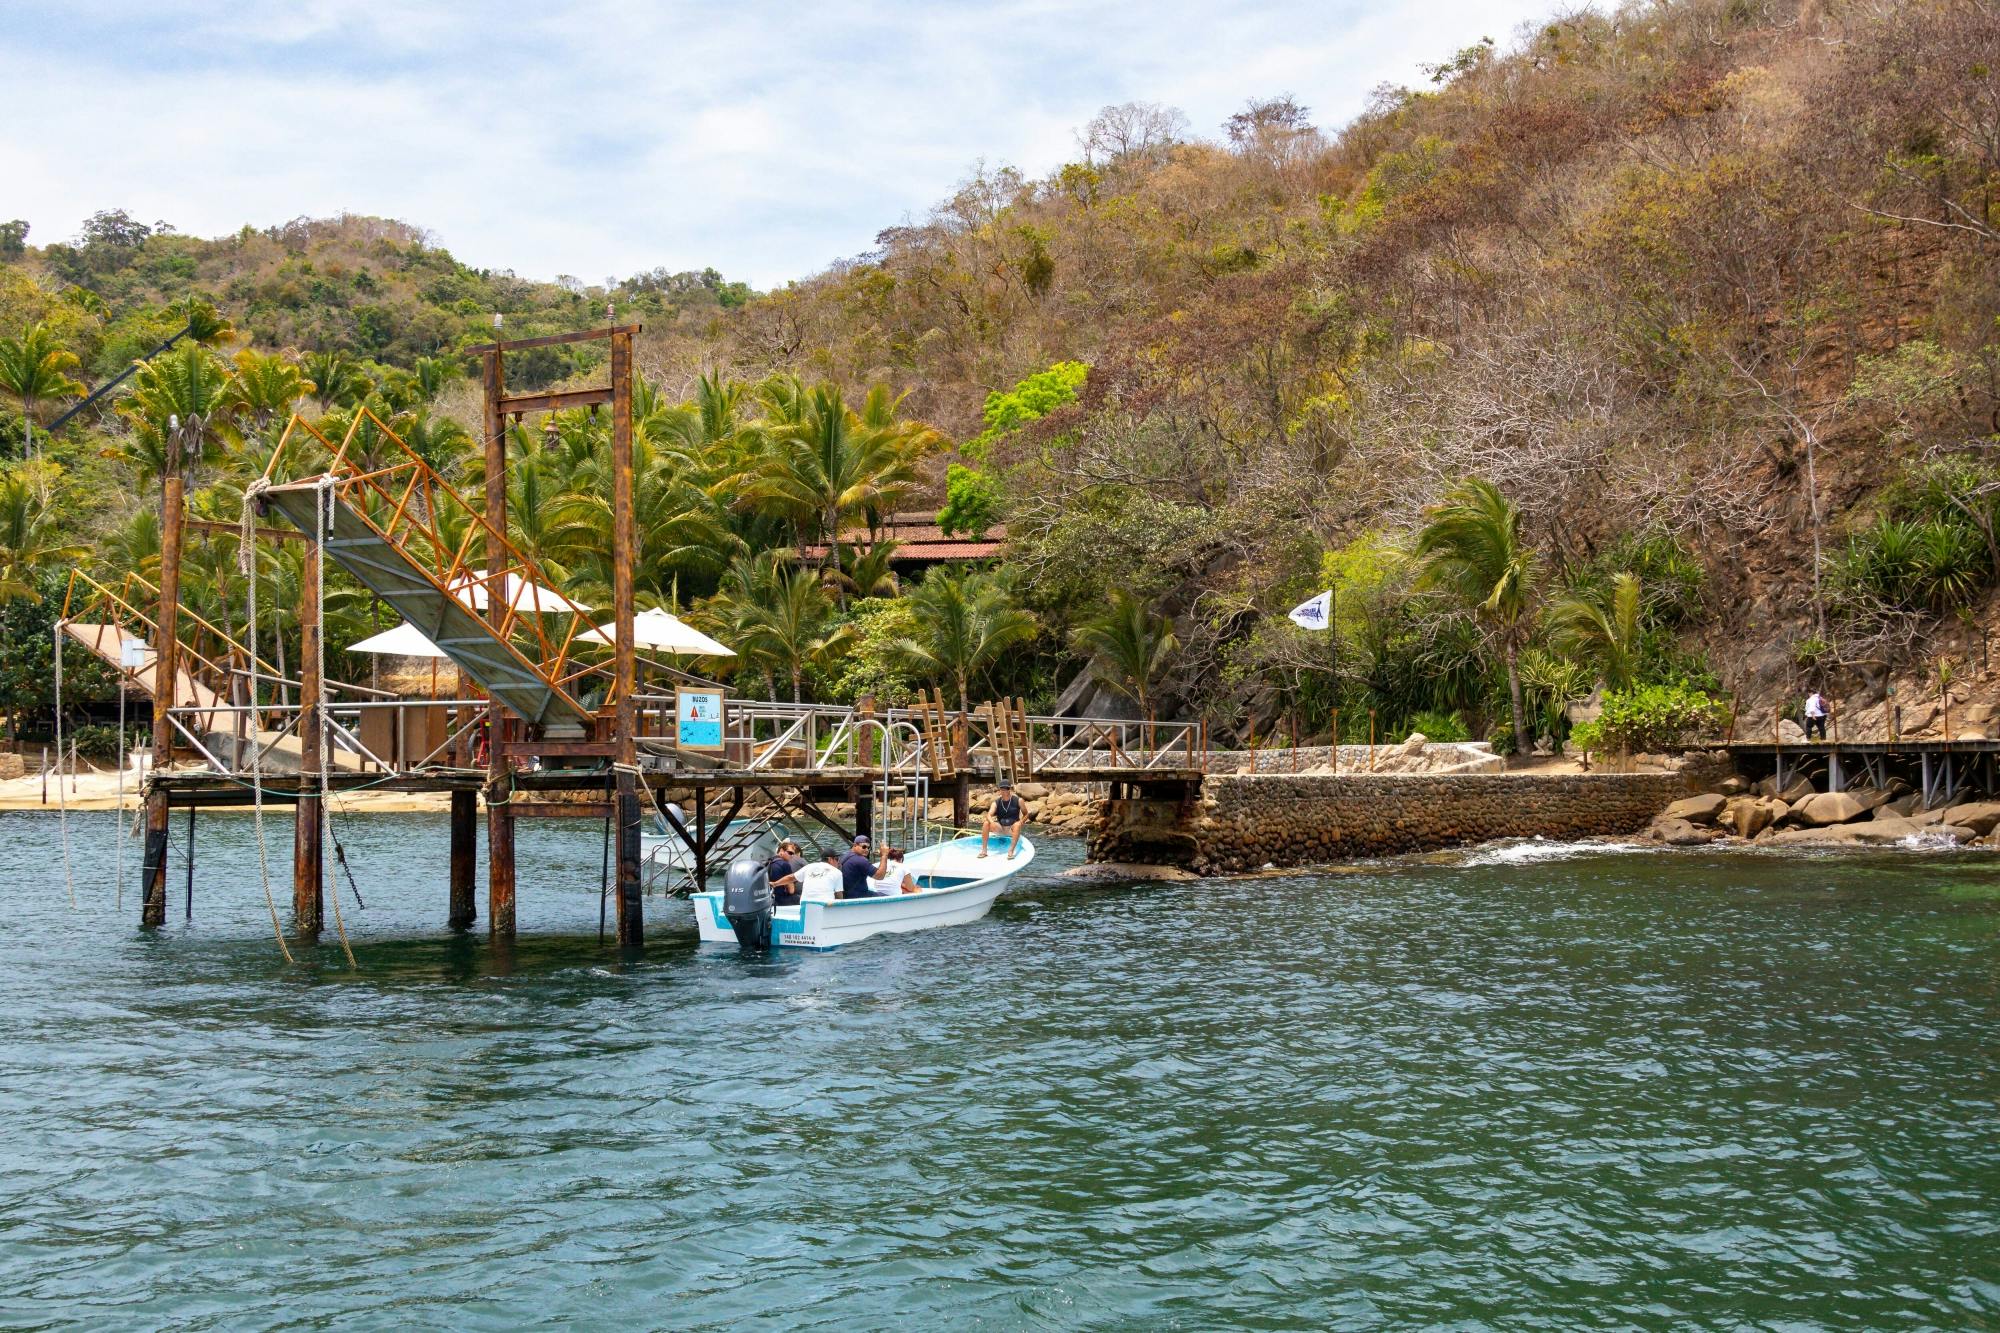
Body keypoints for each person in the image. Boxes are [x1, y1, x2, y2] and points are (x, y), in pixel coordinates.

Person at [979, 777, 1025, 860]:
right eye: (1002, 789)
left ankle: (1010, 851)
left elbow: (1026, 814)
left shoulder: (1018, 800)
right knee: (986, 823)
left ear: (1009, 789)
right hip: (1000, 828)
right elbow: (989, 815)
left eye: (1006, 788)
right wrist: (991, 822)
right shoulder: (996, 802)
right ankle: (984, 851)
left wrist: (1022, 821)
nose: (1004, 791)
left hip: (1012, 829)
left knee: (1017, 825)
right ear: (1000, 790)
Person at [765, 839, 803, 908]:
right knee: (801, 898)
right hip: (780, 900)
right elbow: (791, 891)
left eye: (793, 854)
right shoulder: (785, 864)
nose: (792, 856)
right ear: (781, 850)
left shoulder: (769, 861)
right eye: (790, 853)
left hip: (769, 899)